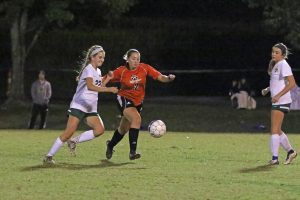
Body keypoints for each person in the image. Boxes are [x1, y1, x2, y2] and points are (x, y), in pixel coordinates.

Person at [43, 45, 118, 164]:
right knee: (68, 133)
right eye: (99, 57)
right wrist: (109, 90)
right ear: (92, 57)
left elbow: (98, 85)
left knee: (99, 130)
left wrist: (107, 78)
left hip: (91, 108)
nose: (102, 60)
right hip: (79, 105)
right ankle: (48, 157)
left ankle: (74, 141)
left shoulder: (97, 71)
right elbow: (90, 86)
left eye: (103, 58)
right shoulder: (88, 69)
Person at [105, 49, 175, 160]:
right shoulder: (121, 71)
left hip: (138, 102)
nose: (136, 61)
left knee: (123, 129)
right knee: (136, 119)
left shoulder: (144, 68)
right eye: (133, 58)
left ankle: (110, 145)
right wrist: (89, 81)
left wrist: (168, 78)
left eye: (138, 59)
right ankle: (132, 152)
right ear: (127, 59)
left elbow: (160, 77)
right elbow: (105, 79)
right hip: (123, 98)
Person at [261, 43, 297, 165]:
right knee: (277, 130)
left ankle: (275, 159)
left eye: (277, 52)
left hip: (282, 101)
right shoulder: (277, 65)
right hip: (279, 100)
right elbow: (278, 83)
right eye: (273, 52)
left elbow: (292, 84)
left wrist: (278, 96)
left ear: (282, 54)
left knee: (274, 130)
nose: (273, 54)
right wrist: (268, 89)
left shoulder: (283, 64)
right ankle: (291, 152)